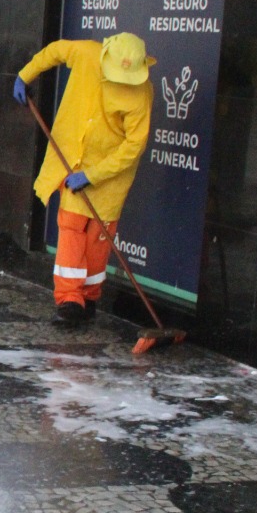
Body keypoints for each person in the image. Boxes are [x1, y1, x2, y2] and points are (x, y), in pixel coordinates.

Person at [14, 32, 155, 325]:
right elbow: (54, 51)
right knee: (72, 230)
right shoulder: (87, 53)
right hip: (74, 162)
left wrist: (93, 175)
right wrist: (25, 75)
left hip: (111, 176)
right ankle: (69, 301)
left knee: (98, 240)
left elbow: (134, 146)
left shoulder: (141, 93)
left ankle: (89, 297)